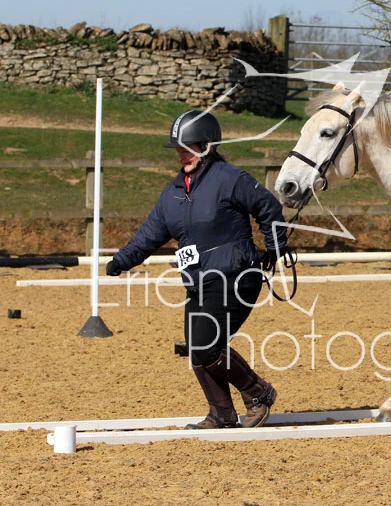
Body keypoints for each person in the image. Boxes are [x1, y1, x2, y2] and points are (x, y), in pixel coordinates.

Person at [105, 109, 287, 429]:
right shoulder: (173, 193)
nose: (181, 155)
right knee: (196, 348)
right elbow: (149, 234)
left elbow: (268, 207)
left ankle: (257, 392)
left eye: (187, 149)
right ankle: (221, 413)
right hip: (199, 280)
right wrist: (122, 260)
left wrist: (274, 245)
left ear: (207, 146)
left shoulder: (230, 178)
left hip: (236, 274)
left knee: (207, 344)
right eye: (178, 149)